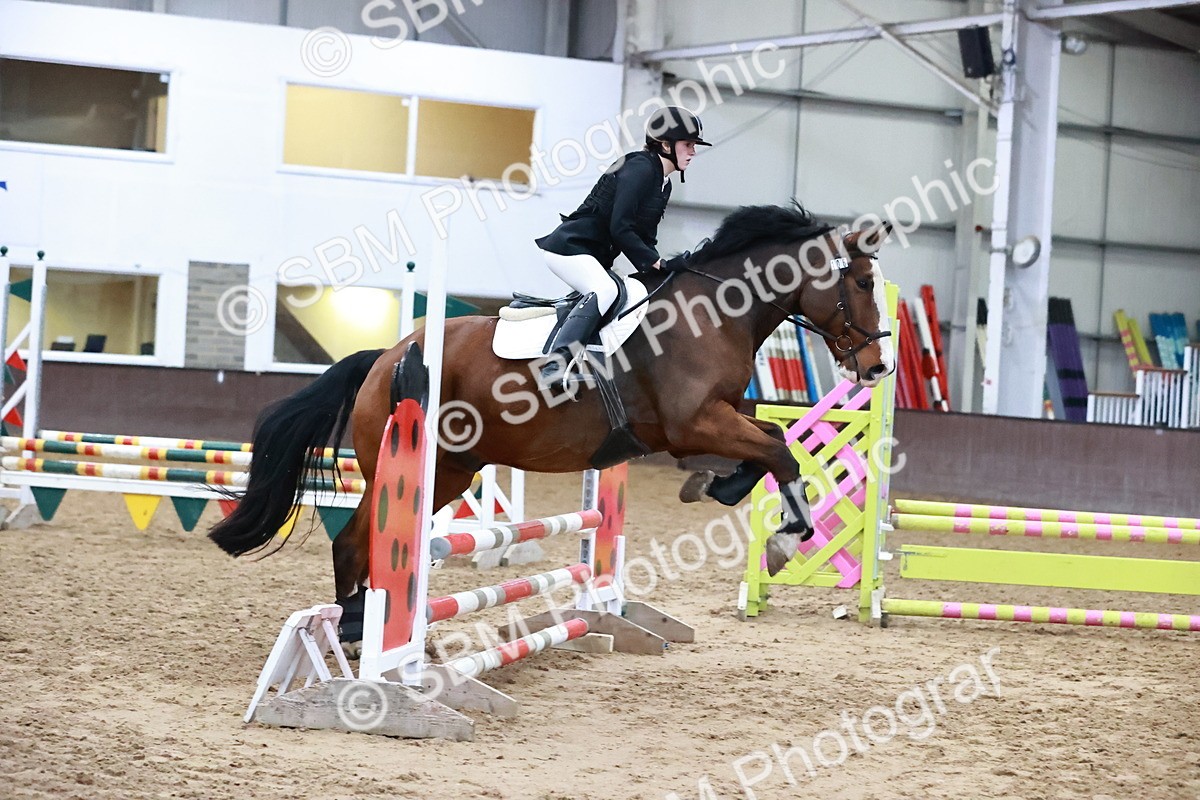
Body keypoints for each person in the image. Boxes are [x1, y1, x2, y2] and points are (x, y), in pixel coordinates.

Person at [533, 105, 711, 383]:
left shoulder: (663, 183)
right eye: (688, 145)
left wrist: (662, 271)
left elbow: (645, 238)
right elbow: (620, 227)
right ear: (666, 145)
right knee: (604, 290)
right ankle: (554, 367)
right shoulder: (639, 168)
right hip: (569, 248)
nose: (693, 152)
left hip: (593, 255)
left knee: (634, 294)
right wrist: (657, 263)